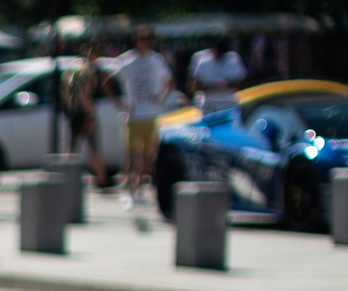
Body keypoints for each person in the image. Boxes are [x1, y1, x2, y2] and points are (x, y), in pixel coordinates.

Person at [114, 26, 175, 205]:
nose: (145, 42)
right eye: (142, 39)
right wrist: (119, 102)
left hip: (151, 113)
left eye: (148, 39)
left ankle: (139, 188)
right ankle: (128, 189)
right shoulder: (127, 61)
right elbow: (108, 80)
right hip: (133, 114)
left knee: (148, 156)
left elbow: (170, 81)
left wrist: (161, 97)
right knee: (132, 154)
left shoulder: (156, 60)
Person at [62, 46, 111, 189]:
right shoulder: (87, 71)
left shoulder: (72, 69)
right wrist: (89, 115)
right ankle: (102, 180)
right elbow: (86, 94)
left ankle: (66, 177)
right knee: (94, 146)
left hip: (74, 112)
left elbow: (65, 90)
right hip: (85, 112)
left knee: (72, 147)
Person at [189, 37, 243, 113]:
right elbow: (194, 87)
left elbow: (241, 84)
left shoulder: (233, 59)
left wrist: (226, 85)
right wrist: (215, 86)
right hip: (209, 106)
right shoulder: (202, 61)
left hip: (228, 104)